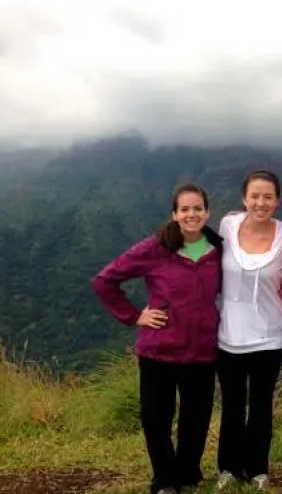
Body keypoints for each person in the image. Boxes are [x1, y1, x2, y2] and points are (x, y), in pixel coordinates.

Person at [91, 183, 222, 494]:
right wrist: (135, 315)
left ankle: (187, 475)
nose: (191, 214)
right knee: (156, 417)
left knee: (196, 416)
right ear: (174, 214)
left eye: (197, 208)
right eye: (184, 209)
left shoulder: (218, 249)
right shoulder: (155, 248)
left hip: (202, 348)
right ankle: (164, 479)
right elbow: (105, 281)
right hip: (159, 349)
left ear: (207, 212)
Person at [215, 170, 282, 492]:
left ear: (277, 200)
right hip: (229, 332)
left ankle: (257, 468)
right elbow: (201, 255)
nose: (261, 203)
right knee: (232, 404)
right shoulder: (227, 226)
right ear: (244, 199)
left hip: (270, 335)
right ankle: (228, 467)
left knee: (261, 404)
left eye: (268, 197)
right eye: (254, 196)